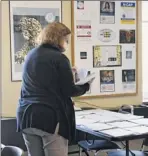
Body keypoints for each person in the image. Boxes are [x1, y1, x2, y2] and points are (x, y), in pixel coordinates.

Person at [16, 22, 92, 156]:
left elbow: (45, 82)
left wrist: (68, 72)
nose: (67, 43)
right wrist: (86, 86)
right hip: (49, 118)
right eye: (66, 40)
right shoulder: (59, 58)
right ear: (59, 38)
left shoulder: (31, 54)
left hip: (26, 116)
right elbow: (70, 90)